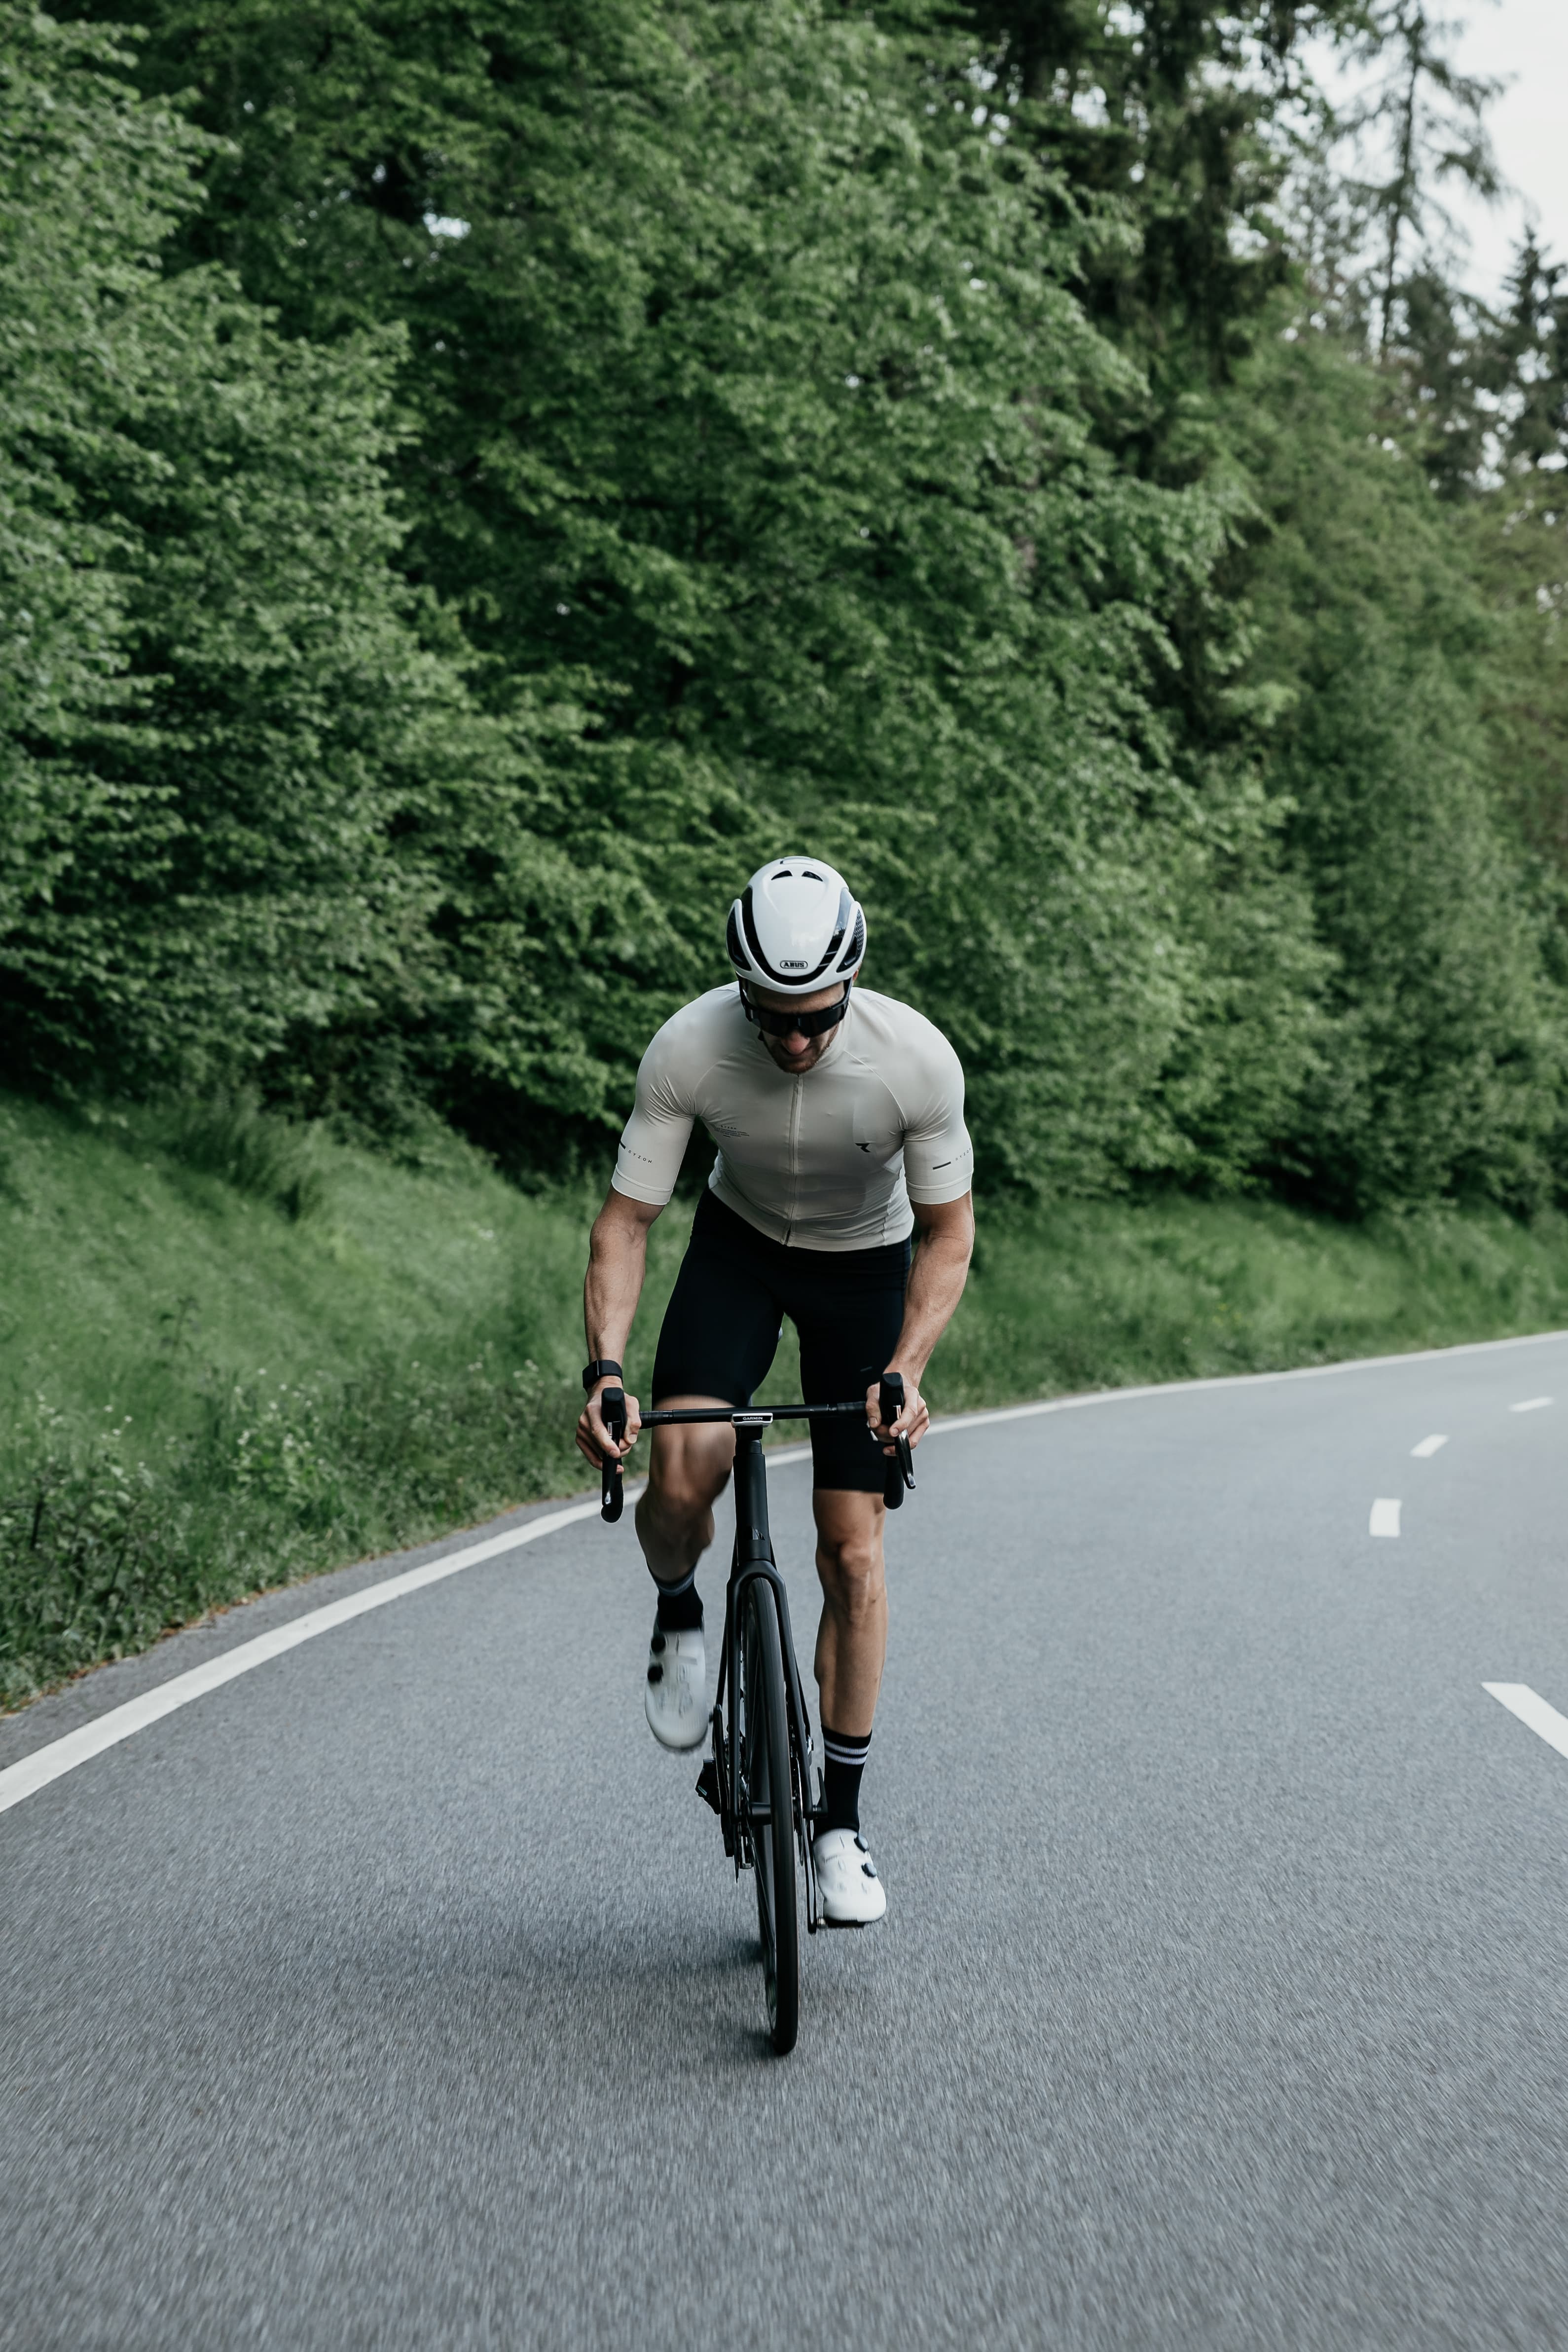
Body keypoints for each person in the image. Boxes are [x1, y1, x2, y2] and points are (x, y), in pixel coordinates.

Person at [574, 856, 974, 1924]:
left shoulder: (916, 1060)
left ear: (851, 984)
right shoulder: (690, 1047)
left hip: (866, 1270)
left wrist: (907, 1368)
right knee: (683, 1465)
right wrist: (607, 1369)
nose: (794, 1042)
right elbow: (626, 1223)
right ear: (740, 990)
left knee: (853, 1551)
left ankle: (839, 1827)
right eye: (772, 1019)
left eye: (816, 1020)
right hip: (739, 1253)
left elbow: (948, 1236)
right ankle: (679, 1610)